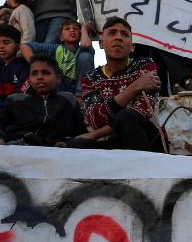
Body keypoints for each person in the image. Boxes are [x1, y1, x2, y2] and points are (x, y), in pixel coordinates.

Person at [68, 17, 162, 151]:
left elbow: (143, 110)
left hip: (145, 139)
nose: (118, 38)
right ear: (101, 44)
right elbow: (95, 119)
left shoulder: (145, 65)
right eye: (112, 33)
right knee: (75, 145)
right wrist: (135, 87)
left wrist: (95, 134)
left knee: (128, 116)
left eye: (124, 34)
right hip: (108, 142)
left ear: (132, 47)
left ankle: (141, 171)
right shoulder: (91, 78)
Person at [21, 18, 94, 93]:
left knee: (85, 56)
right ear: (61, 37)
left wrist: (84, 28)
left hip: (80, 86)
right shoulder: (56, 48)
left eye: (75, 28)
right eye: (67, 28)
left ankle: (82, 94)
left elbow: (85, 45)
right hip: (61, 85)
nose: (72, 30)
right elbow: (24, 46)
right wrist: (35, 64)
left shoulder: (84, 50)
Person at [0, 24, 30, 108]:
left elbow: (20, 93)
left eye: (6, 42)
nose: (1, 46)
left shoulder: (24, 66)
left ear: (17, 45)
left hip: (16, 110)